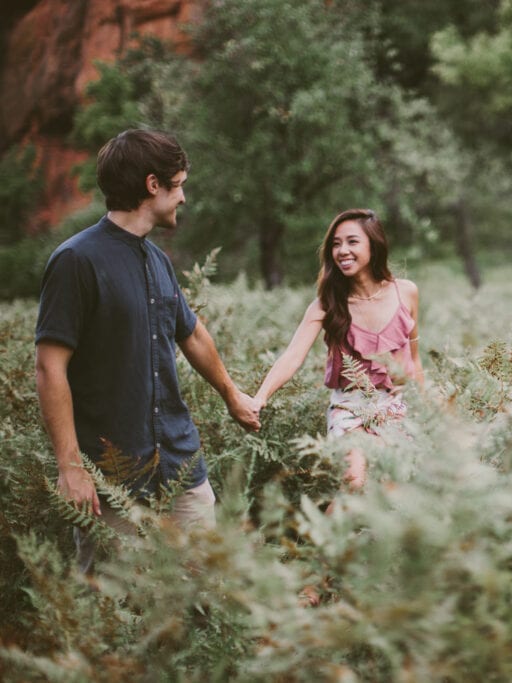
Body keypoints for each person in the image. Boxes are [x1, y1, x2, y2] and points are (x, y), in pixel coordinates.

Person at [34, 128, 261, 572]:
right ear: (152, 185)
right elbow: (49, 367)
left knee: (202, 601)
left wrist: (232, 395)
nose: (183, 198)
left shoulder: (157, 260)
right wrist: (70, 468)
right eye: (178, 186)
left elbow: (192, 334)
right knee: (116, 614)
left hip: (181, 467)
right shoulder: (75, 260)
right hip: (114, 478)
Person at [254, 208, 423, 491]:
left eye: (352, 241)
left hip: (396, 407)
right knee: (354, 487)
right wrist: (260, 397)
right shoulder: (327, 304)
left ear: (374, 244)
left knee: (392, 493)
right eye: (336, 243)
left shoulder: (406, 292)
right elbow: (293, 356)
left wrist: (426, 407)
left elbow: (415, 361)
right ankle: (316, 537)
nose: (342, 250)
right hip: (350, 409)